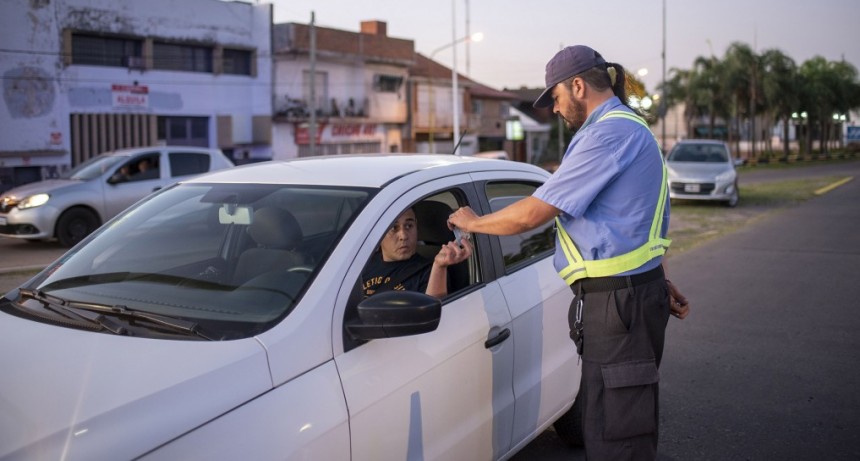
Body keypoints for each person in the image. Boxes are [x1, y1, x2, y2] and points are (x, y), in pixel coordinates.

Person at [447, 45, 690, 459]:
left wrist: (471, 223)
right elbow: (633, 219)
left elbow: (532, 214)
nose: (555, 109)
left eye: (556, 97)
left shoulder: (607, 133)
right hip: (630, 295)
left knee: (618, 436)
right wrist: (655, 278)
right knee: (610, 420)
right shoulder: (626, 128)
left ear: (578, 86)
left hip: (620, 303)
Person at [362, 207, 472, 299]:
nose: (404, 236)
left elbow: (433, 313)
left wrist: (439, 267)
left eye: (409, 226)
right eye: (394, 228)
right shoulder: (361, 265)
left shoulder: (428, 272)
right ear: (378, 234)